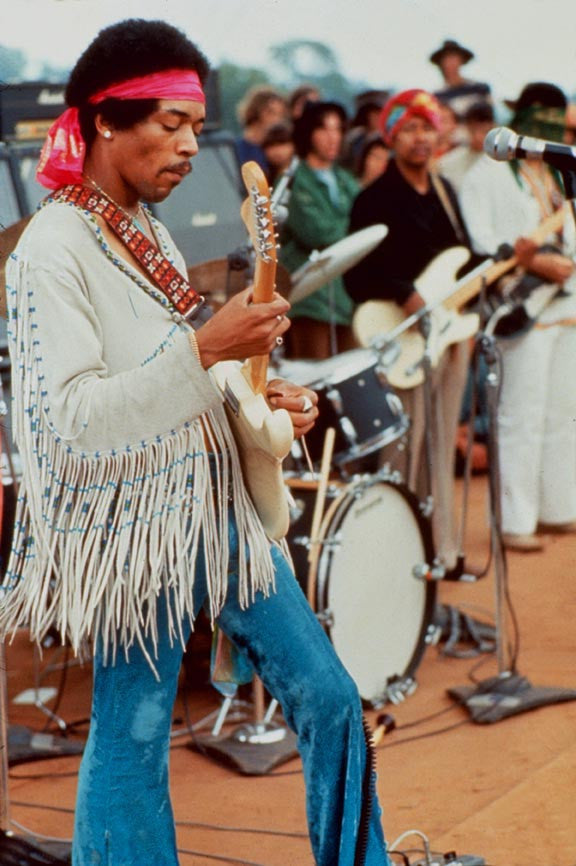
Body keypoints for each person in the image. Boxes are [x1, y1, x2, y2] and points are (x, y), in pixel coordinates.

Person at [0, 19, 391, 866]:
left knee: (327, 697)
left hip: (215, 509)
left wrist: (253, 395)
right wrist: (209, 347)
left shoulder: (144, 227)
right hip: (128, 538)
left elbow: (171, 371)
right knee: (134, 734)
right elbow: (70, 425)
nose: (190, 145)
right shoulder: (47, 251)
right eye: (170, 124)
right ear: (105, 120)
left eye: (196, 124)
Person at [345, 89, 480, 575]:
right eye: (410, 129)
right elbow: (355, 276)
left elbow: (462, 257)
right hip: (398, 337)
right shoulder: (374, 199)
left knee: (442, 443)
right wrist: (405, 293)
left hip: (445, 337)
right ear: (392, 135)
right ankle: (392, 557)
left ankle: (438, 549)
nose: (421, 138)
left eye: (428, 127)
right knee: (402, 445)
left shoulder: (446, 191)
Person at [460, 82, 576, 552]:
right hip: (519, 307)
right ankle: (515, 521)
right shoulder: (483, 176)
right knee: (519, 414)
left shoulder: (555, 173)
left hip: (566, 301)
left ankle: (557, 506)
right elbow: (481, 245)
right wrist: (531, 262)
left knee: (563, 413)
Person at [279, 100, 359, 359]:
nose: (332, 138)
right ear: (309, 133)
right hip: (310, 301)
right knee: (313, 382)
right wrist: (353, 227)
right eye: (324, 129)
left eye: (337, 130)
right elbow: (318, 233)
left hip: (346, 299)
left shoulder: (345, 179)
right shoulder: (294, 180)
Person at [430, 39, 492, 145]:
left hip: (479, 143)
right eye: (446, 59)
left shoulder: (479, 89)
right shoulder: (437, 96)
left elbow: (490, 119)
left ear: (461, 60)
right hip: (451, 146)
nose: (451, 62)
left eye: (454, 58)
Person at [435, 101, 495, 193]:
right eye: (474, 130)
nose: (478, 137)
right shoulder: (447, 162)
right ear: (467, 127)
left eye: (484, 131)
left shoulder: (501, 162)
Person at [234, 84, 288, 173]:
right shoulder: (236, 149)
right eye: (271, 113)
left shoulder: (274, 151)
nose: (277, 120)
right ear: (256, 112)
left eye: (280, 114)